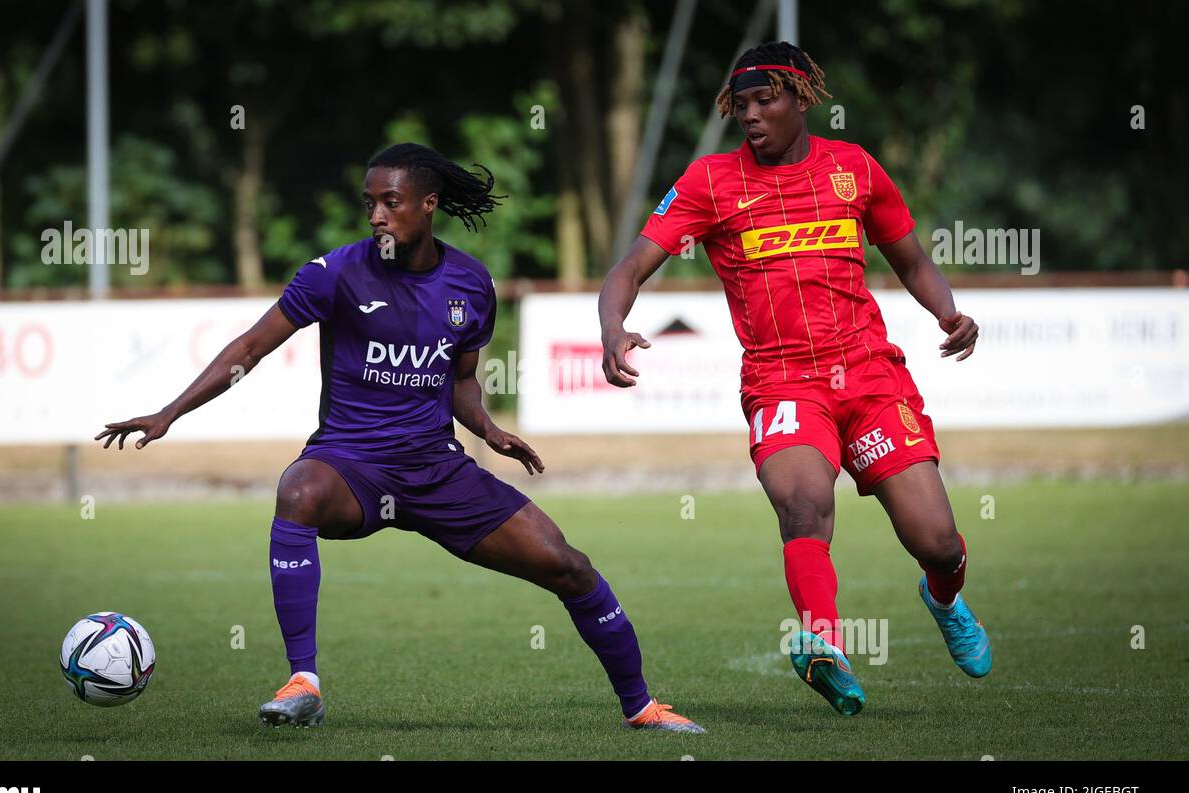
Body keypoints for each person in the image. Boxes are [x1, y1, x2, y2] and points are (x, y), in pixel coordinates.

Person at [96, 142, 702, 733]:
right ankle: (302, 682)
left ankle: (641, 707)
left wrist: (487, 429)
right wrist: (169, 413)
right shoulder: (334, 274)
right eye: (370, 204)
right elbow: (250, 347)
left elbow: (461, 381)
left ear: (429, 204)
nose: (378, 215)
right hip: (352, 466)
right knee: (297, 491)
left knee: (569, 566)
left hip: (437, 471)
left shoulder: (470, 284)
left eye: (391, 202)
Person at [597, 43, 991, 716]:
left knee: (938, 541)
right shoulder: (709, 182)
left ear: (802, 99)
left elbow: (910, 256)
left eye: (764, 101)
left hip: (870, 376)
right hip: (783, 382)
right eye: (740, 105)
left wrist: (949, 313)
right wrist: (612, 328)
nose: (750, 116)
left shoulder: (855, 169)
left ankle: (944, 596)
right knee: (803, 504)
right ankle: (823, 643)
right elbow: (630, 267)